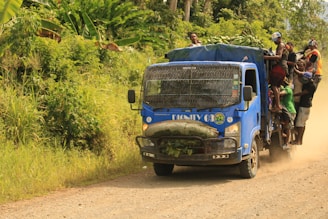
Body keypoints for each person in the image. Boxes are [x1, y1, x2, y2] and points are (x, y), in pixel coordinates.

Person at [264, 32, 289, 112]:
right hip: (283, 68)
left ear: (279, 38)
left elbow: (278, 57)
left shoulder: (281, 45)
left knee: (274, 86)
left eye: (275, 40)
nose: (274, 42)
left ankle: (278, 105)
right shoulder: (281, 45)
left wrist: (265, 57)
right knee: (277, 87)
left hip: (280, 67)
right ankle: (277, 105)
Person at [293, 72, 316, 145]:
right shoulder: (309, 83)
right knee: (301, 124)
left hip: (304, 106)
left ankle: (298, 140)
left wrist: (293, 95)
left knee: (300, 124)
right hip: (305, 106)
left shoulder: (310, 85)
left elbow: (303, 93)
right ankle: (299, 140)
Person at [279, 77, 296, 149]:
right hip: (285, 111)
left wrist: (276, 92)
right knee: (285, 126)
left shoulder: (288, 89)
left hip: (290, 111)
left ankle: (286, 143)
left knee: (287, 127)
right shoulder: (285, 88)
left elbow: (281, 93)